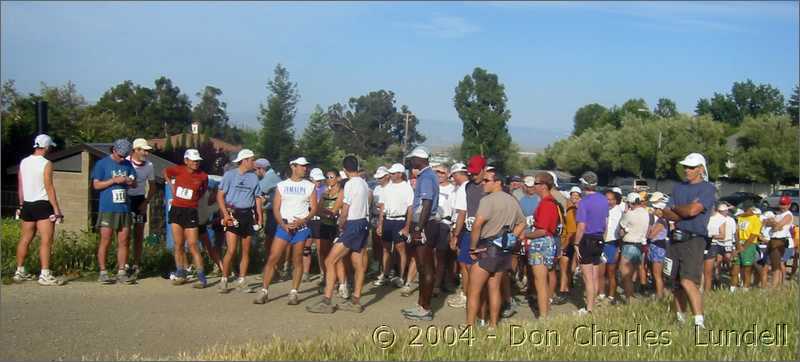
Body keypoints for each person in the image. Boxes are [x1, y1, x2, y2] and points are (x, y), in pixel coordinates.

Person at [306, 155, 370, 314]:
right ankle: (355, 300)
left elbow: (346, 207)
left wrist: (341, 222)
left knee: (329, 261)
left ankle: (327, 301)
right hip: (364, 224)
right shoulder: (363, 182)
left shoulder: (349, 185)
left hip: (353, 224)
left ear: (345, 169)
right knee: (359, 263)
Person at [660, 153, 716, 328]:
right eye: (686, 167)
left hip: (694, 239)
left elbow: (693, 211)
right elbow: (666, 213)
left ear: (701, 169)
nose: (687, 170)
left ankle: (699, 321)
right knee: (675, 282)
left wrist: (676, 209)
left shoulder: (708, 188)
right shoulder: (678, 188)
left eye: (691, 167)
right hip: (676, 238)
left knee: (688, 280)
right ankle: (679, 318)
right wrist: (680, 210)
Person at [466, 169, 526, 327]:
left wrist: (472, 247)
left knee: (474, 291)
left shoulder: (488, 200)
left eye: (486, 180)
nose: (482, 184)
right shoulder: (512, 200)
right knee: (494, 289)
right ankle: (493, 325)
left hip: (487, 249)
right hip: (503, 251)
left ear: (497, 182)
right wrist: (511, 237)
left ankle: (469, 327)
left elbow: (478, 223)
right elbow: (522, 222)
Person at [255, 157, 317, 305]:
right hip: (284, 227)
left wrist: (304, 219)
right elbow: (276, 208)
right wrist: (282, 224)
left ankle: (294, 292)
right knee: (273, 257)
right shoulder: (282, 185)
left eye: (306, 166)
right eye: (302, 166)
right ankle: (264, 290)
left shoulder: (310, 186)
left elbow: (314, 208)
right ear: (293, 167)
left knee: (297, 260)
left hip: (301, 228)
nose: (305, 169)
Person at [13, 134, 64, 286]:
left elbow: (20, 185)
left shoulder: (24, 162)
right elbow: (49, 187)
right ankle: (45, 274)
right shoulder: (46, 163)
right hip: (42, 204)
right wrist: (56, 209)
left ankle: (19, 271)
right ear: (47, 147)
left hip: (27, 204)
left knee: (25, 239)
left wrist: (21, 204)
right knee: (46, 240)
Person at [401, 146, 441, 321]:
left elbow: (426, 203)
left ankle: (425, 308)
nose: (411, 162)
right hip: (426, 223)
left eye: (412, 159)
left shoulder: (426, 177)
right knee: (423, 266)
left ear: (419, 159)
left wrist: (418, 228)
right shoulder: (428, 176)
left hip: (425, 224)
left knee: (426, 267)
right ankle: (421, 304)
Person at [217, 149, 263, 293]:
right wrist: (225, 215)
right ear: (244, 160)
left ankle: (242, 280)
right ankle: (224, 279)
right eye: (252, 160)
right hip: (233, 213)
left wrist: (259, 217)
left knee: (245, 250)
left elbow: (257, 198)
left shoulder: (254, 177)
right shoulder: (230, 175)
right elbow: (220, 196)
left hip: (248, 215)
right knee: (231, 250)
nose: (254, 163)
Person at [93, 139, 137, 284]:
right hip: (107, 208)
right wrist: (113, 181)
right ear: (113, 150)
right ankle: (103, 272)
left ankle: (122, 271)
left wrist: (129, 182)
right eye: (120, 156)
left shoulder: (128, 164)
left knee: (124, 241)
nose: (122, 159)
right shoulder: (102, 164)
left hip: (124, 208)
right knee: (105, 239)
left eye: (124, 156)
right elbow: (96, 185)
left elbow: (134, 182)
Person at [164, 149, 209, 287]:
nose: (196, 163)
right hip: (177, 209)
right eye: (193, 160)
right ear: (186, 161)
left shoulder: (203, 176)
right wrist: (172, 187)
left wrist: (194, 199)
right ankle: (181, 273)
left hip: (190, 211)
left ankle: (201, 277)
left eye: (198, 161)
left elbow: (203, 190)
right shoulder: (178, 170)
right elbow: (166, 172)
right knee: (178, 244)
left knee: (193, 244)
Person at [523, 172, 561, 319]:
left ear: (544, 186)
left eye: (537, 183)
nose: (534, 186)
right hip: (547, 242)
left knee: (540, 281)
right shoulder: (550, 202)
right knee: (542, 280)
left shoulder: (546, 203)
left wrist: (525, 235)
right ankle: (545, 311)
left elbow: (542, 230)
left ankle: (543, 315)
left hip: (541, 243)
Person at [572, 171, 608, 315]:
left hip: (586, 239)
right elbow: (606, 223)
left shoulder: (584, 202)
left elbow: (581, 226)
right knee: (594, 275)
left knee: (588, 278)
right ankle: (592, 305)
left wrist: (576, 243)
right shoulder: (603, 200)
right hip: (599, 239)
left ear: (584, 185)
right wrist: (603, 239)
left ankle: (589, 308)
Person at [374, 163, 414, 289]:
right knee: (386, 248)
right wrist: (380, 224)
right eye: (390, 173)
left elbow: (410, 209)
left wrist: (407, 227)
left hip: (400, 221)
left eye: (392, 173)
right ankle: (385, 274)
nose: (390, 175)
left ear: (400, 174)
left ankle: (401, 276)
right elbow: (383, 208)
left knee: (400, 250)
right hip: (388, 220)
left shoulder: (407, 188)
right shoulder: (388, 187)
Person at [126, 138, 155, 281]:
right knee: (124, 234)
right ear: (135, 150)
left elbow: (153, 186)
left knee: (138, 234)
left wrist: (146, 203)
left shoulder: (149, 165)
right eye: (143, 150)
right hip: (125, 200)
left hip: (139, 200)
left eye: (147, 151)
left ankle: (136, 264)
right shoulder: (125, 162)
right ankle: (123, 265)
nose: (146, 153)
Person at [446, 163, 471, 308]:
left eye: (454, 176)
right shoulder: (468, 187)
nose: (453, 179)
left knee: (464, 264)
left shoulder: (463, 188)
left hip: (462, 228)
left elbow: (462, 213)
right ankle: (465, 292)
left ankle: (465, 294)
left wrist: (455, 234)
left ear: (457, 174)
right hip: (463, 227)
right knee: (465, 264)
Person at [316, 169, 345, 293]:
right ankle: (328, 278)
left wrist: (328, 213)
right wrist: (327, 214)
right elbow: (318, 210)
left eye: (331, 176)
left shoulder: (342, 192)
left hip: (336, 227)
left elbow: (335, 209)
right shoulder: (325, 193)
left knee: (336, 256)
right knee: (323, 252)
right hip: (324, 225)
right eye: (327, 177)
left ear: (338, 178)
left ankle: (341, 282)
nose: (329, 179)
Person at [617, 192, 649, 303]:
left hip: (629, 245)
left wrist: (625, 211)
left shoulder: (630, 214)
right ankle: (631, 296)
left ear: (630, 203)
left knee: (626, 274)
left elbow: (621, 231)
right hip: (640, 245)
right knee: (633, 273)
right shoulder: (646, 213)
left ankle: (629, 298)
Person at [433, 164, 456, 296]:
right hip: (432, 223)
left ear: (448, 174)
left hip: (446, 225)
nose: (439, 175)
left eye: (442, 172)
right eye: (437, 172)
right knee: (432, 255)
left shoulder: (453, 190)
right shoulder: (433, 187)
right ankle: (434, 280)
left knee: (444, 256)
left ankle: (442, 283)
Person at [598, 188, 623, 304]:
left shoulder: (619, 212)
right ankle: (601, 293)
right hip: (601, 243)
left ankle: (612, 296)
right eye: (607, 199)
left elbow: (622, 233)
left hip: (613, 244)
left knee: (611, 272)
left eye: (611, 199)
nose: (609, 202)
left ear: (615, 200)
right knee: (600, 272)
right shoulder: (601, 210)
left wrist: (619, 248)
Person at [305, 167, 327, 282]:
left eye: (320, 180)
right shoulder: (307, 188)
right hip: (308, 221)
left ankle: (322, 272)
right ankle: (305, 272)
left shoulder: (325, 189)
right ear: (311, 179)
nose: (319, 182)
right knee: (306, 247)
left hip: (320, 221)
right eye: (317, 180)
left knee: (320, 249)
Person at [732, 206, 762, 291]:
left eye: (746, 210)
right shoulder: (740, 217)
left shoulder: (756, 220)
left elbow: (753, 236)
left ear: (751, 210)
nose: (744, 212)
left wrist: (742, 248)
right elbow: (736, 232)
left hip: (749, 245)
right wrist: (738, 245)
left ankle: (745, 289)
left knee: (747, 270)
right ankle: (732, 289)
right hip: (739, 243)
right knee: (735, 268)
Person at [647, 194, 670, 298]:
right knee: (659, 274)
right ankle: (663, 292)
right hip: (660, 247)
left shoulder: (661, 221)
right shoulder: (664, 220)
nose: (654, 210)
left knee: (657, 274)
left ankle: (659, 294)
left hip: (658, 247)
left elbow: (651, 235)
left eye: (656, 208)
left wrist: (648, 232)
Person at [768, 196, 793, 287]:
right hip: (773, 239)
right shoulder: (779, 215)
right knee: (775, 265)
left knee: (776, 267)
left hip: (779, 240)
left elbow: (777, 226)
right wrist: (772, 224)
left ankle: (774, 287)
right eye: (781, 204)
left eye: (785, 204)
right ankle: (776, 287)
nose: (782, 206)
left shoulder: (788, 215)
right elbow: (766, 223)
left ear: (789, 205)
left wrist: (773, 223)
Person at [705, 203, 730, 292]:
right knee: (699, 269)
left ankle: (707, 292)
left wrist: (710, 236)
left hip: (712, 245)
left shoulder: (721, 219)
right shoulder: (704, 216)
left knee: (708, 271)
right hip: (701, 243)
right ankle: (699, 290)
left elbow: (722, 235)